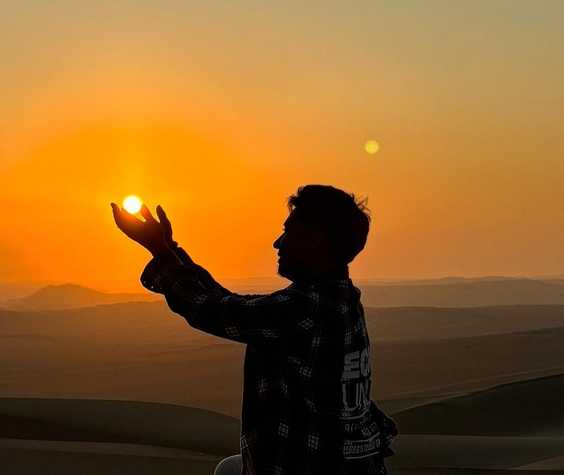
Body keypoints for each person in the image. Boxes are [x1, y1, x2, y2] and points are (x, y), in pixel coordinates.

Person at [111, 184, 397, 475]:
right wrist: (170, 251)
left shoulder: (307, 310)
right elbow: (232, 306)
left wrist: (159, 250)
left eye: (288, 231)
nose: (277, 243)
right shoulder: (339, 299)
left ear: (315, 240)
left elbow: (210, 310)